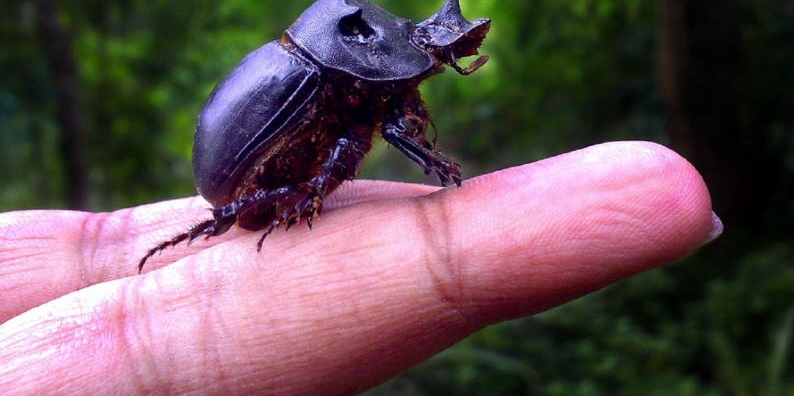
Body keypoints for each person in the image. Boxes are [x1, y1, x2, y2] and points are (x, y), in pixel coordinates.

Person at [0, 141, 721, 394]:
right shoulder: (342, 87)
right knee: (293, 191)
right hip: (235, 176)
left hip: (242, 164)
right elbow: (368, 143)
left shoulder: (354, 86)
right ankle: (204, 229)